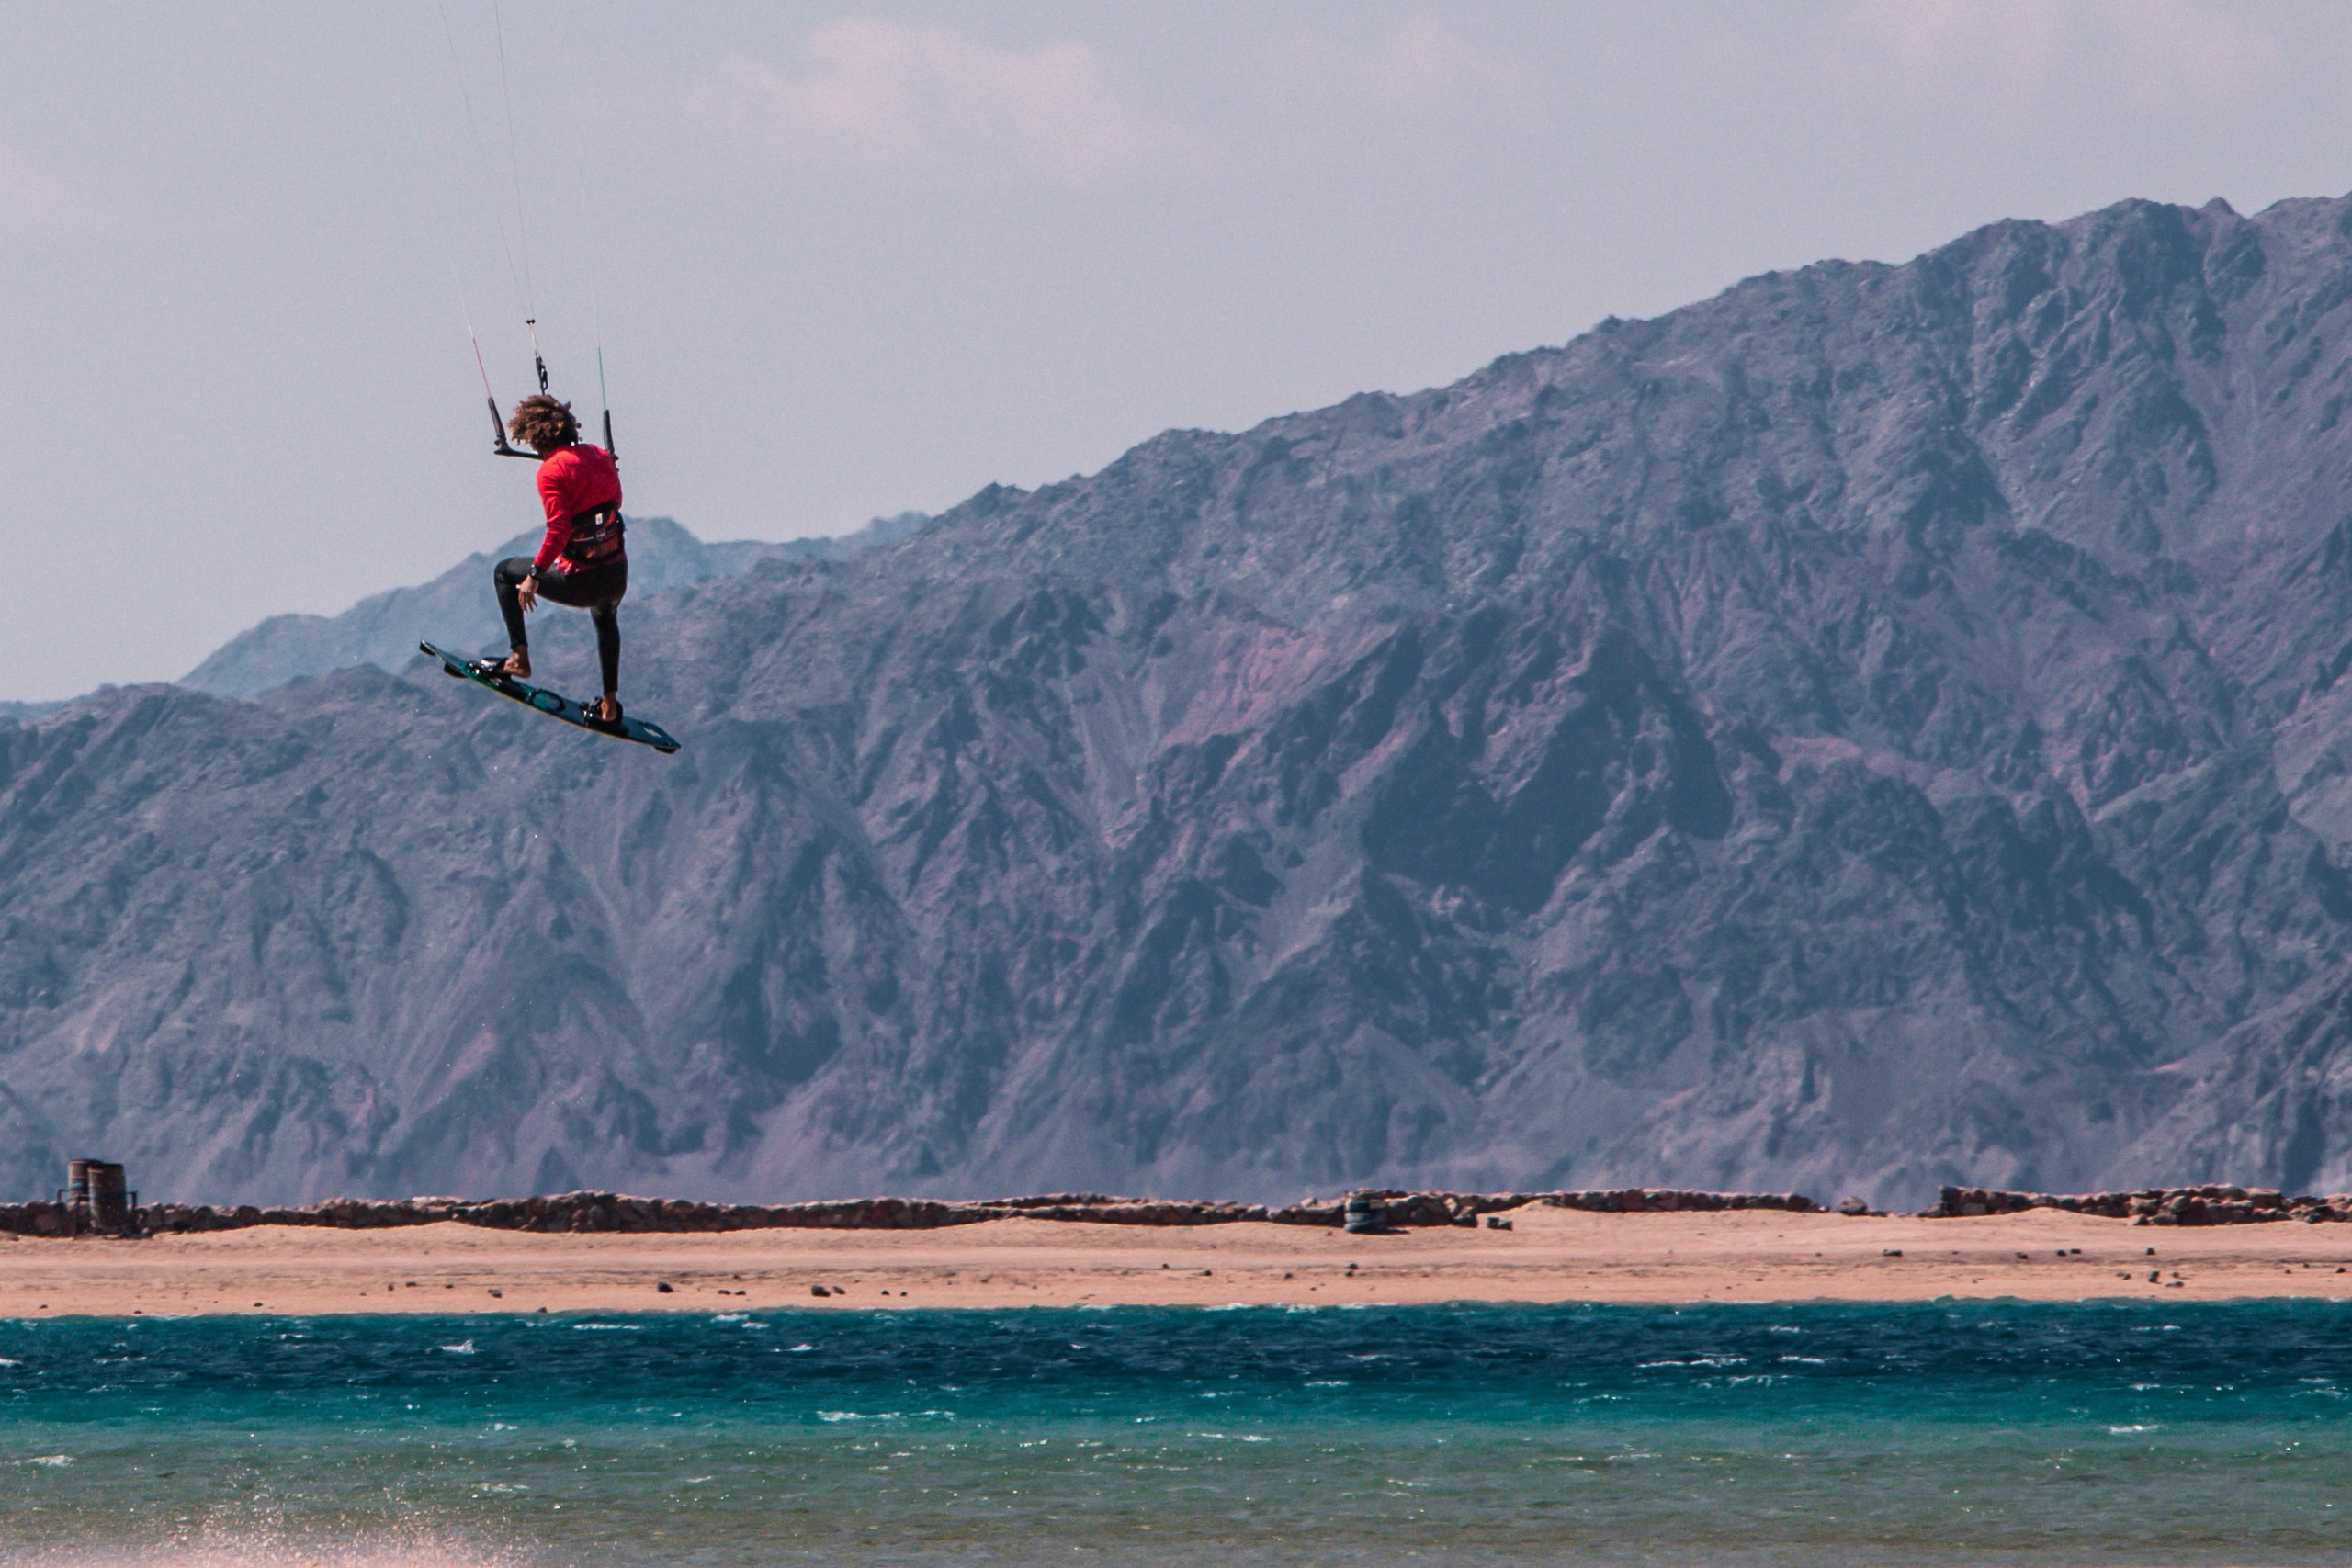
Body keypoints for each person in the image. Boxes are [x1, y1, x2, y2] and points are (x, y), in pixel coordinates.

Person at [486, 394, 628, 726]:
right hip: (617, 575)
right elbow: (616, 502)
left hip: (581, 582)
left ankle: (518, 658)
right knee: (606, 616)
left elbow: (559, 528)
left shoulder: (550, 471)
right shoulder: (601, 456)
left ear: (535, 437)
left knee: (504, 573)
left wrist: (535, 574)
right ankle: (609, 706)